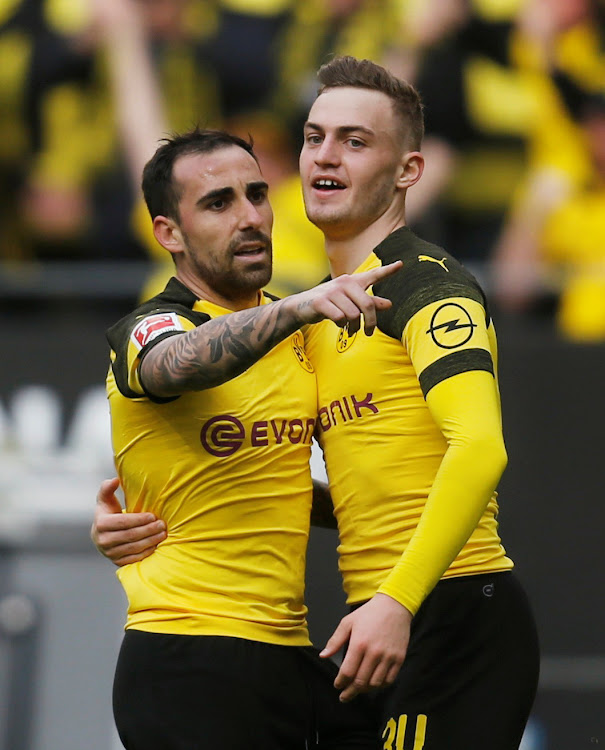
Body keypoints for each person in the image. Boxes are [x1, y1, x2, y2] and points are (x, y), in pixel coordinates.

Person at [93, 57, 540, 749]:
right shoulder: (299, 321)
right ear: (167, 233)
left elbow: (479, 447)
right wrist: (156, 512)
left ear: (407, 171)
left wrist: (397, 597)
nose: (325, 157)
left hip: (438, 608)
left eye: (355, 141)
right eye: (313, 137)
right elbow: (177, 373)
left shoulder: (418, 286)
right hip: (276, 645)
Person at [102, 126, 406, 749]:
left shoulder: (299, 335)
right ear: (169, 234)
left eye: (257, 194)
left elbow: (287, 480)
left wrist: (390, 515)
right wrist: (298, 306)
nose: (250, 218)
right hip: (186, 653)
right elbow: (176, 363)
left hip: (287, 650)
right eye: (218, 203)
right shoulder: (153, 325)